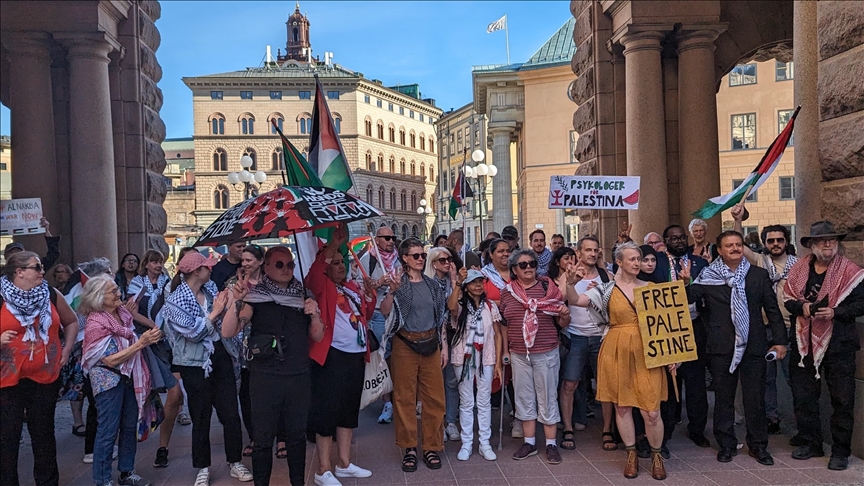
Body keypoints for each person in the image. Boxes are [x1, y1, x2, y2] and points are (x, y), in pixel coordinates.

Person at [679, 230, 787, 466]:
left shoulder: (758, 275)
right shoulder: (708, 276)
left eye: (738, 244)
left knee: (754, 399)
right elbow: (686, 298)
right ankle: (726, 445)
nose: (736, 248)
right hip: (721, 347)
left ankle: (759, 446)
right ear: (719, 250)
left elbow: (772, 310)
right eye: (729, 245)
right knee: (724, 399)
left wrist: (779, 341)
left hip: (754, 346)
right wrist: (684, 283)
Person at [567, 242, 671, 480]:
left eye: (639, 259)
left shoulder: (651, 287)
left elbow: (665, 326)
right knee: (622, 407)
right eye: (632, 259)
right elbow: (575, 300)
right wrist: (570, 282)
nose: (637, 263)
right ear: (620, 262)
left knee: (651, 410)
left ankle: (656, 455)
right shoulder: (605, 289)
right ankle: (631, 454)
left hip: (648, 351)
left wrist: (671, 356)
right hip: (617, 348)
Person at [222, 247, 323, 486]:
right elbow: (228, 331)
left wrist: (315, 314)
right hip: (265, 378)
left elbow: (317, 336)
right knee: (263, 439)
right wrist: (236, 301)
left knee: (297, 438)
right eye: (280, 265)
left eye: (290, 265)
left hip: (298, 375)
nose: (286, 269)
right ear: (266, 267)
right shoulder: (255, 296)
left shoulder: (304, 295)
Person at [163, 252, 251, 486]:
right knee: (200, 417)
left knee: (231, 413)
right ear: (194, 271)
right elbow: (193, 333)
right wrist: (215, 312)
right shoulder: (175, 300)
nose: (211, 269)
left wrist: (233, 302)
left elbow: (228, 319)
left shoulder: (212, 290)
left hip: (220, 356)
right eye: (206, 266)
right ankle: (202, 467)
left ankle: (235, 461)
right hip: (194, 364)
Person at [783, 221, 864, 471]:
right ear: (812, 245)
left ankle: (840, 451)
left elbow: (861, 304)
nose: (828, 244)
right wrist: (803, 307)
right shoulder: (799, 269)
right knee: (804, 397)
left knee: (842, 400)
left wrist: (836, 312)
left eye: (832, 239)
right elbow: (788, 300)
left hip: (839, 344)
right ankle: (811, 442)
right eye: (822, 240)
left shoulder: (852, 272)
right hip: (804, 342)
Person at [304, 226, 375, 486]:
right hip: (331, 356)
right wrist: (333, 246)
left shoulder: (351, 288)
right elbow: (313, 274)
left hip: (355, 355)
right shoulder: (321, 286)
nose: (341, 265)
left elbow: (365, 315)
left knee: (347, 411)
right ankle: (323, 469)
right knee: (326, 413)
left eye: (342, 261)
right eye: (335, 263)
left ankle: (344, 463)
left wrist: (369, 294)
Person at [0, 251, 78, 486]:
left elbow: (72, 321)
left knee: (43, 435)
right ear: (19, 272)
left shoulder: (51, 295)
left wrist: (66, 349)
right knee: (7, 438)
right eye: (37, 267)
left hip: (44, 376)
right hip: (7, 379)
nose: (43, 272)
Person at [80, 275, 159, 486]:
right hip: (108, 381)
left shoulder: (124, 314)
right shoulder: (95, 323)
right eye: (112, 291)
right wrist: (141, 343)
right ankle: (102, 479)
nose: (118, 294)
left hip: (130, 376)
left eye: (117, 289)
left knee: (128, 426)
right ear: (98, 297)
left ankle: (126, 472)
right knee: (107, 430)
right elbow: (109, 360)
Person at [380, 238, 448, 473]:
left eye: (422, 255)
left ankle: (431, 446)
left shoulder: (432, 285)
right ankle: (409, 447)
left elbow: (442, 319)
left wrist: (444, 347)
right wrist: (392, 291)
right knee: (404, 399)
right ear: (405, 259)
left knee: (435, 399)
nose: (420, 259)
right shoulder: (399, 284)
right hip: (405, 344)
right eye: (416, 255)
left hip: (431, 343)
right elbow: (385, 311)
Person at [499, 249, 569, 464]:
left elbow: (562, 321)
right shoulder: (507, 293)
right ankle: (529, 442)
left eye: (532, 263)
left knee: (547, 397)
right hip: (519, 354)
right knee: (524, 398)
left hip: (546, 352)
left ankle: (551, 444)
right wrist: (505, 351)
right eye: (523, 265)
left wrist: (565, 315)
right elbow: (504, 323)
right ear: (514, 269)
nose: (528, 267)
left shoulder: (548, 287)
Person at [731, 204, 796, 435]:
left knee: (794, 377)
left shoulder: (798, 265)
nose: (775, 244)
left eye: (779, 240)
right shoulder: (760, 261)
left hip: (792, 329)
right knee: (767, 379)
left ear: (786, 241)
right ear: (765, 243)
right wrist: (738, 220)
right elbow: (738, 244)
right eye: (771, 241)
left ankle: (802, 421)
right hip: (765, 328)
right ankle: (771, 418)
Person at [650, 225, 710, 453]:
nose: (679, 241)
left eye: (682, 238)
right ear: (665, 241)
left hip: (694, 327)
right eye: (673, 239)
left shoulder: (700, 263)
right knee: (668, 382)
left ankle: (697, 430)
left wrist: (689, 284)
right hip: (667, 328)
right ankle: (663, 435)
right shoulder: (657, 262)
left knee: (695, 382)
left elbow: (706, 290)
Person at [556, 236, 615, 452]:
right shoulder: (568, 275)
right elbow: (558, 299)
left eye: (595, 250)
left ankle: (607, 429)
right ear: (578, 253)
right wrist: (571, 282)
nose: (591, 253)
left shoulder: (605, 275)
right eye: (587, 250)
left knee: (605, 385)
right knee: (569, 383)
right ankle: (569, 428)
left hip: (601, 337)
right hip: (576, 336)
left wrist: (597, 293)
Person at [223, 245, 283, 459]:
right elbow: (229, 314)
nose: (245, 264)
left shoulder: (272, 282)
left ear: (260, 261)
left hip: (269, 344)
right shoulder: (233, 284)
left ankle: (281, 437)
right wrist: (238, 296)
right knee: (248, 394)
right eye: (243, 260)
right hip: (242, 346)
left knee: (277, 392)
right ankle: (255, 436)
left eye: (249, 260)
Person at [126, 250, 184, 468]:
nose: (159, 265)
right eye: (155, 261)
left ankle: (163, 446)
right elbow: (131, 312)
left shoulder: (168, 283)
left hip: (168, 341)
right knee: (172, 390)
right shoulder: (137, 284)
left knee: (176, 396)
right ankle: (158, 442)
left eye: (161, 261)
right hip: (149, 341)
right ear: (147, 264)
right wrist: (153, 326)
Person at [446, 268, 503, 461]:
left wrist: (497, 363)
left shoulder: (490, 307)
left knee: (484, 400)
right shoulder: (461, 305)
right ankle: (467, 443)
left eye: (480, 282)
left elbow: (497, 334)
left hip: (486, 356)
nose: (478, 285)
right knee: (467, 401)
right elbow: (451, 306)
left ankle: (485, 443)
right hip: (464, 356)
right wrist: (458, 284)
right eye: (474, 282)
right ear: (467, 286)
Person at [358, 226, 399, 424]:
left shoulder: (399, 260)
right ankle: (386, 400)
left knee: (392, 356)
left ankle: (392, 397)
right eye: (386, 238)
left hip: (394, 313)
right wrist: (376, 283)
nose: (391, 241)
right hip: (375, 314)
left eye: (393, 237)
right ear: (377, 239)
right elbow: (359, 285)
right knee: (381, 355)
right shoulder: (369, 259)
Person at [425, 246, 460, 442]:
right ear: (433, 263)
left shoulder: (451, 282)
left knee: (451, 381)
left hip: (453, 334)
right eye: (442, 260)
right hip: (433, 336)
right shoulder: (427, 283)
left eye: (449, 259)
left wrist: (455, 281)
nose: (447, 263)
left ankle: (451, 421)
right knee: (433, 383)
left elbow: (455, 308)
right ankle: (437, 422)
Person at [480, 239, 512, 305]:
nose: (506, 254)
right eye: (501, 251)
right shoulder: (483, 275)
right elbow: (481, 302)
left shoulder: (518, 272)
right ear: (491, 254)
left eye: (508, 251)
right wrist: (508, 304)